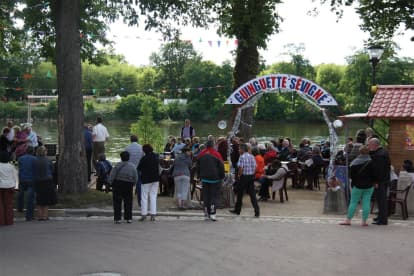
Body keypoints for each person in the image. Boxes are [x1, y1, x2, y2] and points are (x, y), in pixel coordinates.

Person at [339, 145, 376, 226]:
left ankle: (348, 220)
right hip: (369, 186)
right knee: (366, 202)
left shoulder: (354, 162)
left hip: (357, 185)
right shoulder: (372, 162)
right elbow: (375, 175)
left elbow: (351, 176)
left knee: (353, 202)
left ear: (360, 152)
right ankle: (364, 221)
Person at [230, 143, 260, 218]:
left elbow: (240, 167)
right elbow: (256, 167)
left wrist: (239, 175)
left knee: (240, 194)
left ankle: (237, 210)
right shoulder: (252, 156)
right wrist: (252, 173)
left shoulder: (242, 157)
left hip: (244, 177)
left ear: (243, 149)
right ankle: (257, 211)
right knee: (252, 195)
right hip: (251, 176)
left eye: (239, 149)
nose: (238, 150)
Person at [197, 140, 224, 221]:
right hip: (215, 179)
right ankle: (212, 213)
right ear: (213, 146)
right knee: (213, 196)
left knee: (206, 196)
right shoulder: (217, 154)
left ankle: (206, 213)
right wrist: (221, 176)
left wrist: (199, 176)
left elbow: (197, 165)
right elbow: (221, 166)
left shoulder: (201, 154)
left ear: (206, 145)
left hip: (204, 179)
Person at [109, 151, 137, 224]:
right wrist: (133, 183)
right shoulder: (133, 166)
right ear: (129, 158)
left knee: (117, 201)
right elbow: (136, 177)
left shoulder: (117, 165)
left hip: (118, 184)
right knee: (128, 201)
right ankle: (128, 218)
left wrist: (110, 182)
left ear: (121, 157)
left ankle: (117, 218)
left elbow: (112, 175)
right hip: (128, 185)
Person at [368, 138, 391, 225]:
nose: (369, 146)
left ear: (375, 145)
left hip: (380, 181)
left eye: (370, 144)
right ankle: (380, 217)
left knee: (381, 200)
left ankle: (382, 220)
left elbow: (379, 170)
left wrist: (376, 181)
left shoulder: (379, 155)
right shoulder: (383, 152)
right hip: (384, 180)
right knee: (380, 200)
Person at [33, 146, 56, 221]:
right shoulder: (48, 160)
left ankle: (39, 216)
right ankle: (45, 216)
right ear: (45, 152)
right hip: (47, 181)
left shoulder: (34, 160)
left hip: (38, 181)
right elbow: (52, 170)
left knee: (39, 198)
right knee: (46, 199)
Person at [138, 144, 159, 221]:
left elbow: (139, 168)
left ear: (144, 151)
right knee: (153, 196)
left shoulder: (144, 158)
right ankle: (153, 214)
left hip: (146, 179)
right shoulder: (156, 157)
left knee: (144, 197)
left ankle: (144, 214)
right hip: (155, 179)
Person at [17, 146, 37, 221]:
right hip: (31, 180)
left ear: (26, 151)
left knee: (20, 194)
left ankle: (20, 208)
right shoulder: (35, 159)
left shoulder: (21, 158)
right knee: (30, 198)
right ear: (33, 151)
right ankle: (29, 216)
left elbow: (19, 168)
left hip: (22, 179)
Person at [124, 135, 144, 206]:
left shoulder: (127, 148)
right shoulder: (141, 147)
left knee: (129, 184)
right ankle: (140, 202)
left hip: (129, 168)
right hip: (138, 167)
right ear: (137, 140)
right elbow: (143, 158)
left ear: (130, 140)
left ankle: (128, 201)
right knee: (139, 184)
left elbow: (124, 158)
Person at [0, 151, 18, 225]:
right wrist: (15, 186)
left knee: (0, 204)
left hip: (0, 186)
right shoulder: (11, 166)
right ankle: (9, 221)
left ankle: (1, 221)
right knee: (9, 204)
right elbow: (15, 176)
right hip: (10, 186)